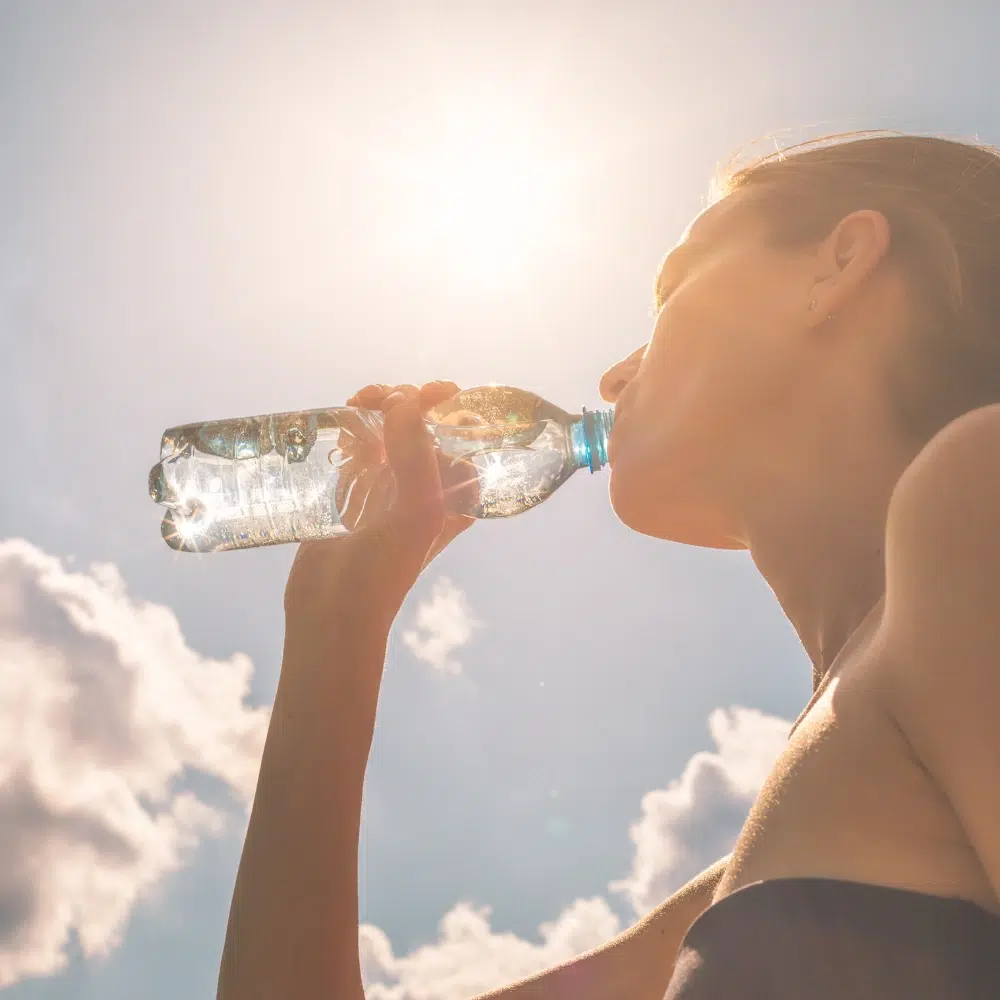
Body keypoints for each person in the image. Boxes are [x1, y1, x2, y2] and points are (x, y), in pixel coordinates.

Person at [216, 132, 1000, 999]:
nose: (614, 377)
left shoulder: (978, 487)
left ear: (839, 263)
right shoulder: (781, 865)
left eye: (673, 288)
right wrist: (335, 630)